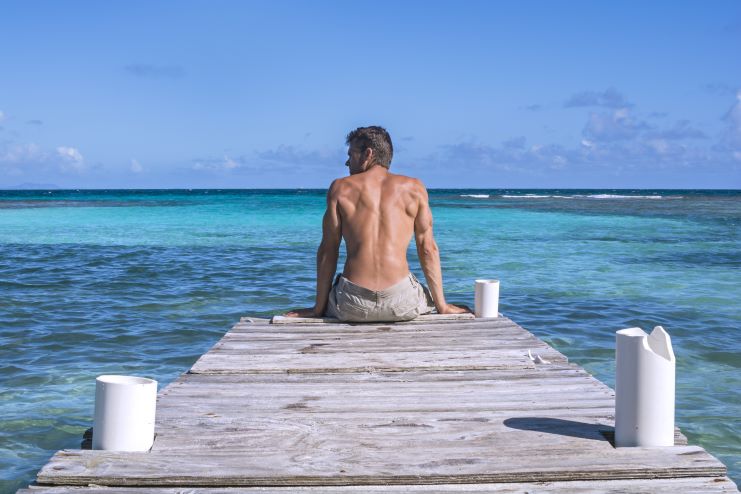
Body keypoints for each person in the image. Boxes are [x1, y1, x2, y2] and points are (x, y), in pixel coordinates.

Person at [286, 126, 469, 322]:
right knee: (422, 294)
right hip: (401, 303)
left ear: (368, 154)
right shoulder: (414, 189)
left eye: (351, 154)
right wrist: (442, 305)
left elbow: (328, 251)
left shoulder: (340, 188)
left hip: (352, 304)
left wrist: (318, 308)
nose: (347, 161)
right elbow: (428, 249)